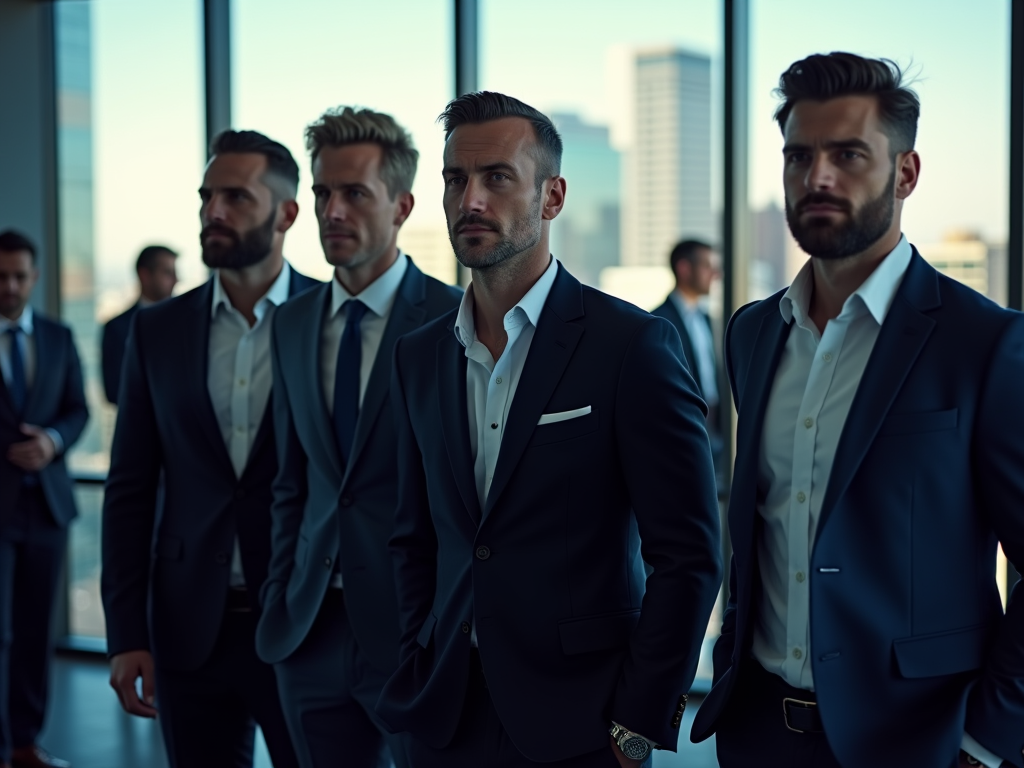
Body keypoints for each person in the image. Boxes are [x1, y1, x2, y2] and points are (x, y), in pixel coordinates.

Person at [691, 52, 1024, 768]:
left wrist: (982, 742)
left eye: (847, 155)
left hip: (919, 742)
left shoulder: (985, 344)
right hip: (757, 735)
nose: (817, 178)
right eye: (799, 156)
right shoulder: (752, 332)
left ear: (905, 173)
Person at [375, 92, 722, 768]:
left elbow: (688, 555)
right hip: (444, 714)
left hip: (585, 723)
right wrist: (415, 655)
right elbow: (412, 534)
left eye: (497, 177)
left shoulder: (632, 345)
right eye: (455, 179)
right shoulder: (418, 354)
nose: (469, 199)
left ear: (553, 196)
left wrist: (639, 721)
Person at [101, 130, 319, 768]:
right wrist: (126, 634)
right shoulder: (156, 329)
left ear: (286, 215)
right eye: (206, 196)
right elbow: (130, 488)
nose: (212, 212)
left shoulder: (332, 320)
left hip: (304, 624)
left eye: (235, 197)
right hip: (187, 627)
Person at [255, 107, 461, 768]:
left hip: (415, 634)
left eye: (354, 194)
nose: (332, 211)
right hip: (307, 627)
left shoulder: (456, 320)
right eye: (321, 193)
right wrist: (278, 593)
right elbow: (292, 480)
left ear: (401, 206)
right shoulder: (289, 324)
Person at [0, 230, 88, 768]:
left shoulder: (58, 336)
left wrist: (51, 443)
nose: (8, 286)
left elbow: (77, 409)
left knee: (35, 635)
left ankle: (24, 743)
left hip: (48, 509)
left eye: (18, 276)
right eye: (0, 276)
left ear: (34, 277)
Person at [652, 239, 724, 480]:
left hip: (713, 430)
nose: (716, 274)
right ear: (684, 269)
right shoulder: (657, 323)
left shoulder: (706, 319)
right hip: (679, 435)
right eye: (708, 266)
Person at [100, 245, 178, 405]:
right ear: (145, 275)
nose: (177, 280)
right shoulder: (117, 328)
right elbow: (114, 391)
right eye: (168, 273)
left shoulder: (189, 323)